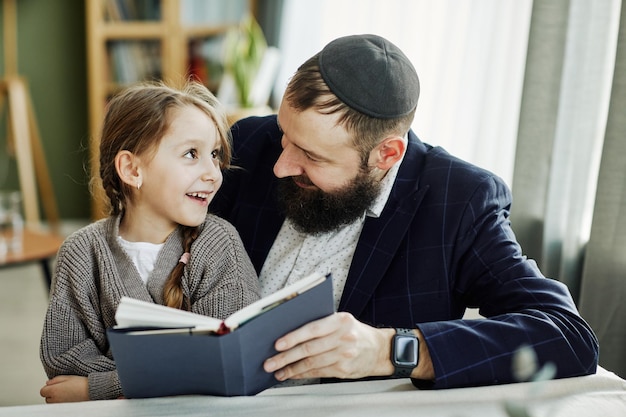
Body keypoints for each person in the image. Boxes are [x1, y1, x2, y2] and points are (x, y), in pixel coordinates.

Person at [210, 34, 599, 389]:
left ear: (387, 154)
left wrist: (390, 349)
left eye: (311, 155)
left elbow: (567, 334)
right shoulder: (252, 141)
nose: (281, 165)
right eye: (285, 136)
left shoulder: (460, 202)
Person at [39, 81, 260, 402]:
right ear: (131, 169)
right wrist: (167, 376)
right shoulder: (80, 251)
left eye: (214, 155)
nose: (214, 173)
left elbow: (227, 360)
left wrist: (101, 387)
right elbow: (63, 363)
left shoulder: (219, 242)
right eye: (191, 154)